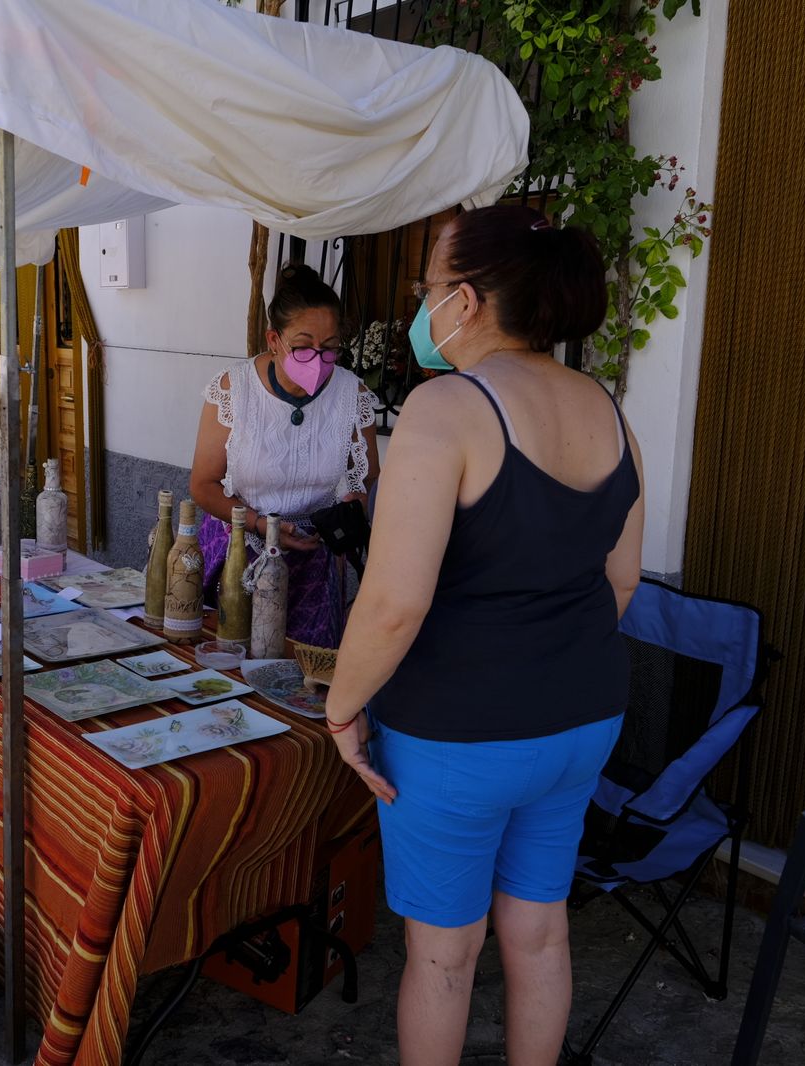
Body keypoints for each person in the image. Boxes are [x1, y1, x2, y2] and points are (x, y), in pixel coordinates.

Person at [322, 205, 643, 1066]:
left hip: (459, 735)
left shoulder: (446, 408)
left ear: (464, 302)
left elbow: (394, 603)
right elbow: (621, 579)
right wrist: (545, 662)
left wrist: (342, 712)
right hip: (583, 721)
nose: (424, 303)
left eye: (429, 285)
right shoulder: (608, 411)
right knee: (538, 932)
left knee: (443, 954)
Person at [188, 262, 378, 647]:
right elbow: (203, 485)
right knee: (227, 662)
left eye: (330, 349)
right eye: (304, 346)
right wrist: (261, 524)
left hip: (313, 558)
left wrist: (351, 504)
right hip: (238, 551)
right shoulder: (233, 389)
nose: (319, 359)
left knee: (299, 679)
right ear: (274, 340)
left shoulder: (352, 395)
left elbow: (366, 477)